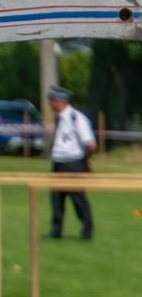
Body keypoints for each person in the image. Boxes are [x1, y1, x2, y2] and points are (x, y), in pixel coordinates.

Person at [46, 86, 96, 241]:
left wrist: (84, 162)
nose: (50, 104)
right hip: (59, 164)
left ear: (59, 101)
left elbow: (91, 145)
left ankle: (87, 231)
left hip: (73, 164)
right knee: (56, 198)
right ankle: (56, 231)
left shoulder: (77, 118)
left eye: (51, 101)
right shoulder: (59, 118)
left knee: (78, 199)